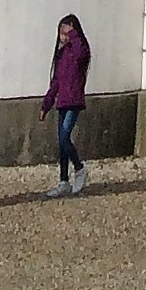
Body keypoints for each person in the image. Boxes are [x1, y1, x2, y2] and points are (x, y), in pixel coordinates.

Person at [42, 12, 91, 197]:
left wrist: (72, 35)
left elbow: (81, 55)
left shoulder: (80, 48)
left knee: (64, 138)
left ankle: (79, 168)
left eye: (66, 31)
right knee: (61, 143)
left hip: (74, 101)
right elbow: (55, 82)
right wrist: (45, 104)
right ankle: (63, 180)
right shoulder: (62, 55)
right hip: (62, 101)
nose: (63, 35)